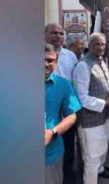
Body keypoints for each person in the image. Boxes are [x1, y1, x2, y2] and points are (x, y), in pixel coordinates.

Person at [73, 33, 109, 184]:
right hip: (90, 120)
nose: (101, 47)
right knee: (91, 156)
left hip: (104, 116)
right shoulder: (83, 66)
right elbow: (82, 98)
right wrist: (105, 103)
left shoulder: (102, 61)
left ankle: (100, 169)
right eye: (97, 44)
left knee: (103, 147)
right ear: (89, 46)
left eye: (103, 44)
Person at [45, 23, 79, 180]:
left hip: (67, 105)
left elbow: (75, 80)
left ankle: (67, 173)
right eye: (54, 33)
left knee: (68, 143)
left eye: (60, 33)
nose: (58, 36)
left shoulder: (70, 56)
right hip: (49, 106)